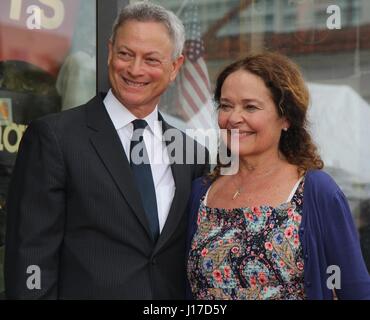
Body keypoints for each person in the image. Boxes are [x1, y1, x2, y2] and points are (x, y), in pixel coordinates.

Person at [5, 2, 208, 299]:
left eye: (151, 59)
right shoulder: (54, 138)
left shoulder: (192, 153)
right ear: (110, 51)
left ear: (175, 67)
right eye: (126, 54)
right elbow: (30, 256)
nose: (135, 69)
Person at [186, 52, 370, 300]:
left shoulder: (316, 191)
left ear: (285, 118)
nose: (233, 118)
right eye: (226, 105)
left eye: (250, 107)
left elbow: (355, 289)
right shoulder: (202, 192)